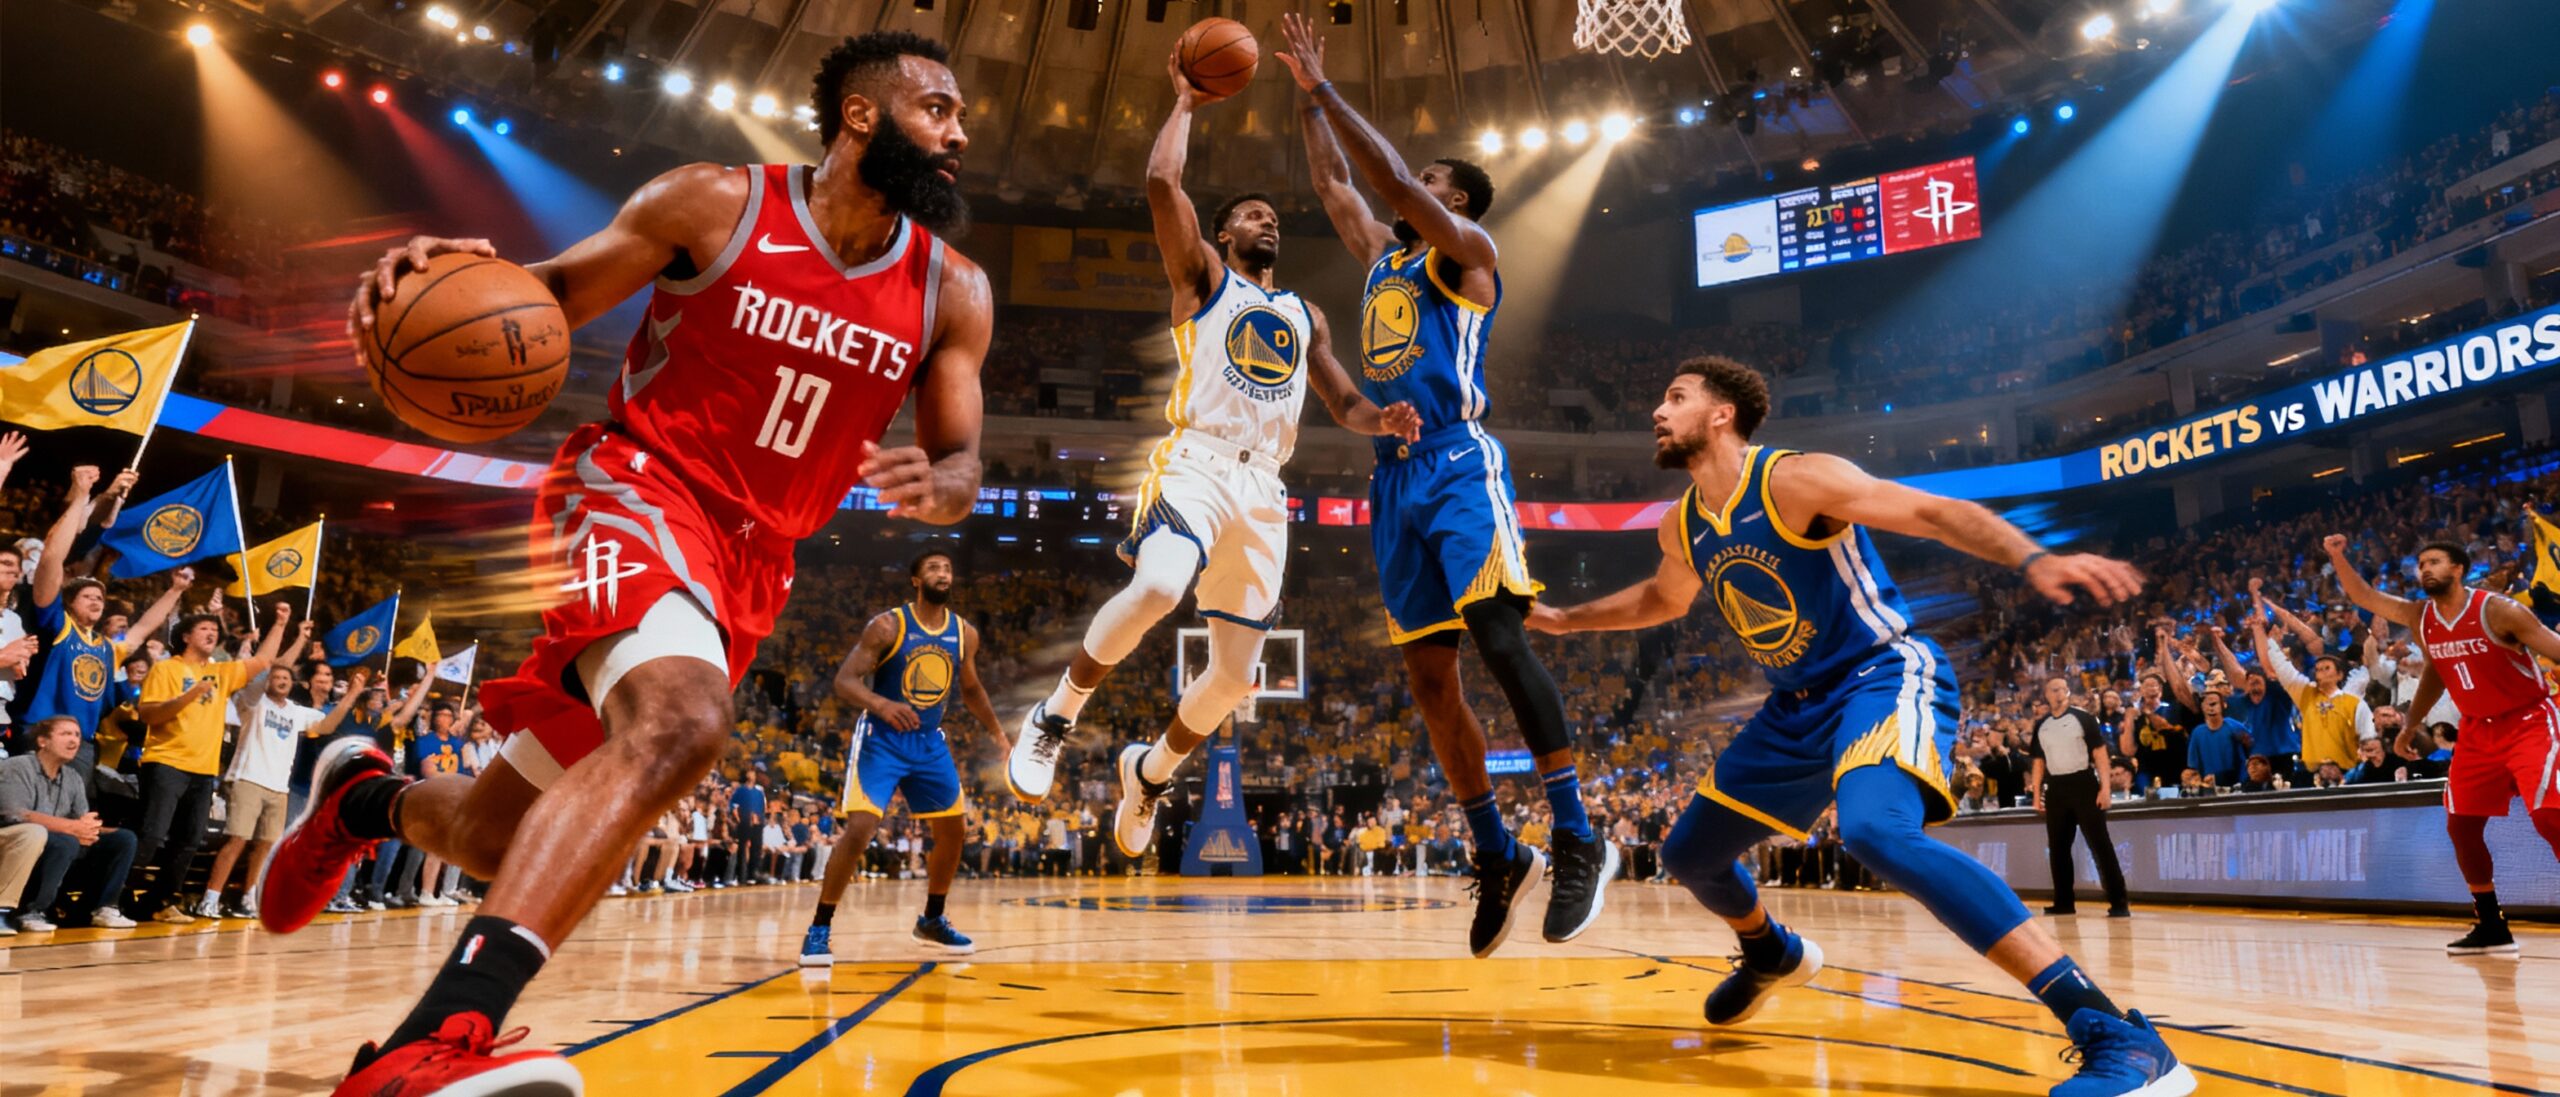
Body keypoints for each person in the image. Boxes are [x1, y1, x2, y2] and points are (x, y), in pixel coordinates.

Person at [262, 29, 992, 1096]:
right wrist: (455, 275)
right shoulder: (713, 201)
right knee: (683, 723)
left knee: (483, 834)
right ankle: (440, 1036)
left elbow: (964, 453)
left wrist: (949, 484)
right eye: (938, 106)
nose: (959, 131)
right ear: (862, 116)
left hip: (755, 563)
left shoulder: (952, 289)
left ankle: (363, 801)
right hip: (635, 486)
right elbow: (546, 293)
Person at [1527, 357, 2187, 1097]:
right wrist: (1560, 619)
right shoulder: (1683, 524)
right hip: (1795, 706)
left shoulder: (1794, 479)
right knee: (1690, 854)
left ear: (1720, 415)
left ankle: (2115, 1033)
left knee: (1875, 831)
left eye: (1675, 397)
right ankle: (1769, 951)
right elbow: (1661, 599)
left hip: (1880, 671)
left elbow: (1930, 512)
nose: (1657, 408)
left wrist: (2031, 556)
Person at [1007, 47, 1420, 856]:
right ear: (1225, 233)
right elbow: (1164, 187)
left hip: (1267, 488)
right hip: (1197, 459)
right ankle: (1055, 713)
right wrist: (1187, 103)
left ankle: (1149, 773)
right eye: (1252, 215)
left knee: (1234, 677)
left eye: (1273, 215)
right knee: (1160, 581)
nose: (1267, 220)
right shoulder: (1202, 280)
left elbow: (1341, 401)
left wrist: (1387, 418)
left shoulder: (1303, 313)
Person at [1273, 11, 1613, 957]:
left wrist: (1327, 92)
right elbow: (1338, 182)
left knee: (1500, 638)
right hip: (1394, 474)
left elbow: (1379, 177)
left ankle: (1579, 832)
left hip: (1462, 462)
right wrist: (1305, 106)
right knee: (1429, 679)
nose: (1410, 186)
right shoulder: (1384, 258)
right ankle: (1495, 849)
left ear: (1454, 200)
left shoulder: (1467, 259)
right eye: (1419, 182)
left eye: (1429, 182)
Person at [2325, 535, 2560, 956]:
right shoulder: (2422, 616)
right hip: (2477, 730)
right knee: (2461, 825)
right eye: (2420, 564)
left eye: (2434, 561)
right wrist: (2337, 556)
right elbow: (2365, 597)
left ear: (2458, 569)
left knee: (2549, 816)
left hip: (2527, 720)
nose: (2425, 569)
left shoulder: (2500, 610)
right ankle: (2491, 925)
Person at [802, 549, 1004, 964]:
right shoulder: (888, 626)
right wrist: (880, 704)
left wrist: (998, 734)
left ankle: (932, 919)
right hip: (882, 737)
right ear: (916, 579)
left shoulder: (964, 633)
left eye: (948, 567)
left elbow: (971, 690)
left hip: (929, 741)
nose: (943, 573)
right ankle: (819, 927)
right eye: (933, 568)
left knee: (953, 830)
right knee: (861, 828)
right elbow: (845, 680)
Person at [131, 606, 291, 924]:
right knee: (152, 835)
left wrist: (281, 623)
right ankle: (114, 897)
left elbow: (263, 661)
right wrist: (189, 696)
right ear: (185, 636)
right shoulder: (166, 669)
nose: (211, 633)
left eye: (214, 630)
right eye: (204, 628)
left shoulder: (221, 673)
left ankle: (162, 902)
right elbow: (149, 715)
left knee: (189, 840)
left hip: (204, 770)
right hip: (165, 762)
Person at [24, 466, 187, 776]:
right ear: (68, 603)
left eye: (100, 597)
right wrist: (82, 498)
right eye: (87, 596)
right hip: (43, 734)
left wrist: (175, 591)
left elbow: (141, 629)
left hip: (82, 742)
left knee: (73, 820)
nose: (97, 599)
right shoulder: (58, 626)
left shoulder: (106, 646)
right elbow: (50, 560)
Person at [194, 641, 334, 920]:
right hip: (247, 779)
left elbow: (327, 725)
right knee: (237, 841)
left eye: (286, 678)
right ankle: (210, 899)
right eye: (276, 677)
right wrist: (295, 640)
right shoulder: (252, 701)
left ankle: (248, 898)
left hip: (278, 787)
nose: (280, 681)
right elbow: (269, 666)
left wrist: (353, 692)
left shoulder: (295, 711)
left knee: (266, 845)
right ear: (267, 680)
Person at [0, 716, 138, 931]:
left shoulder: (73, 777)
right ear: (43, 741)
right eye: (65, 734)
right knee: (64, 841)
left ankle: (101, 908)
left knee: (123, 839)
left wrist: (91, 829)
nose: (74, 741)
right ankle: (32, 911)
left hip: (62, 841)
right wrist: (72, 827)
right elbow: (14, 814)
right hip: (21, 842)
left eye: (77, 735)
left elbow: (81, 819)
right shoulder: (17, 767)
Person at [2028, 678, 2131, 917]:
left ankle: (2119, 901)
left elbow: (2100, 754)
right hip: (2055, 788)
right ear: (2046, 694)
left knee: (2100, 844)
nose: (2059, 694)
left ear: (2068, 692)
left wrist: (2105, 789)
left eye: (2062, 689)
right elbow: (2038, 761)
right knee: (2058, 849)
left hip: (2084, 783)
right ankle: (2063, 902)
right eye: (2053, 690)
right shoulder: (2042, 725)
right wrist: (2036, 794)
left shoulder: (2082, 718)